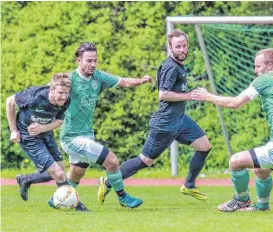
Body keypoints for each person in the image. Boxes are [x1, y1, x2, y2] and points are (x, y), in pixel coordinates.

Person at [192, 48, 273, 211]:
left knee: (235, 162)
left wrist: (207, 96)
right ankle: (263, 205)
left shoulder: (265, 80)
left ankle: (241, 200)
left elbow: (235, 103)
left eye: (258, 66)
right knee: (261, 170)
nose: (255, 70)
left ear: (269, 66)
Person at [98, 29, 211, 204]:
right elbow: (163, 94)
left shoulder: (179, 65)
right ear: (170, 47)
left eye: (184, 45)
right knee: (145, 160)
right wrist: (189, 95)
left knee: (204, 146)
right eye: (178, 46)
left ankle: (189, 185)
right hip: (164, 123)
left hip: (179, 120)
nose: (182, 49)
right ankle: (108, 180)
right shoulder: (170, 67)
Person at [59, 42, 152, 210]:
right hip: (71, 137)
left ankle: (57, 198)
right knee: (112, 161)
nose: (93, 64)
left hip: (86, 135)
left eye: (95, 60)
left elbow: (123, 82)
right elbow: (49, 94)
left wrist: (141, 80)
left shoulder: (98, 77)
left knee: (77, 173)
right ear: (78, 60)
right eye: (88, 60)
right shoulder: (69, 79)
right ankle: (123, 197)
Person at [5, 73, 88, 209]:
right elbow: (9, 101)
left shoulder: (66, 101)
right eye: (60, 92)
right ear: (51, 90)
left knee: (60, 171)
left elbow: (59, 121)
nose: (63, 96)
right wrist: (14, 130)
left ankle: (26, 180)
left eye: (66, 93)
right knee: (59, 174)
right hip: (28, 135)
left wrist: (42, 128)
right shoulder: (35, 96)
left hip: (45, 132)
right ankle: (76, 206)